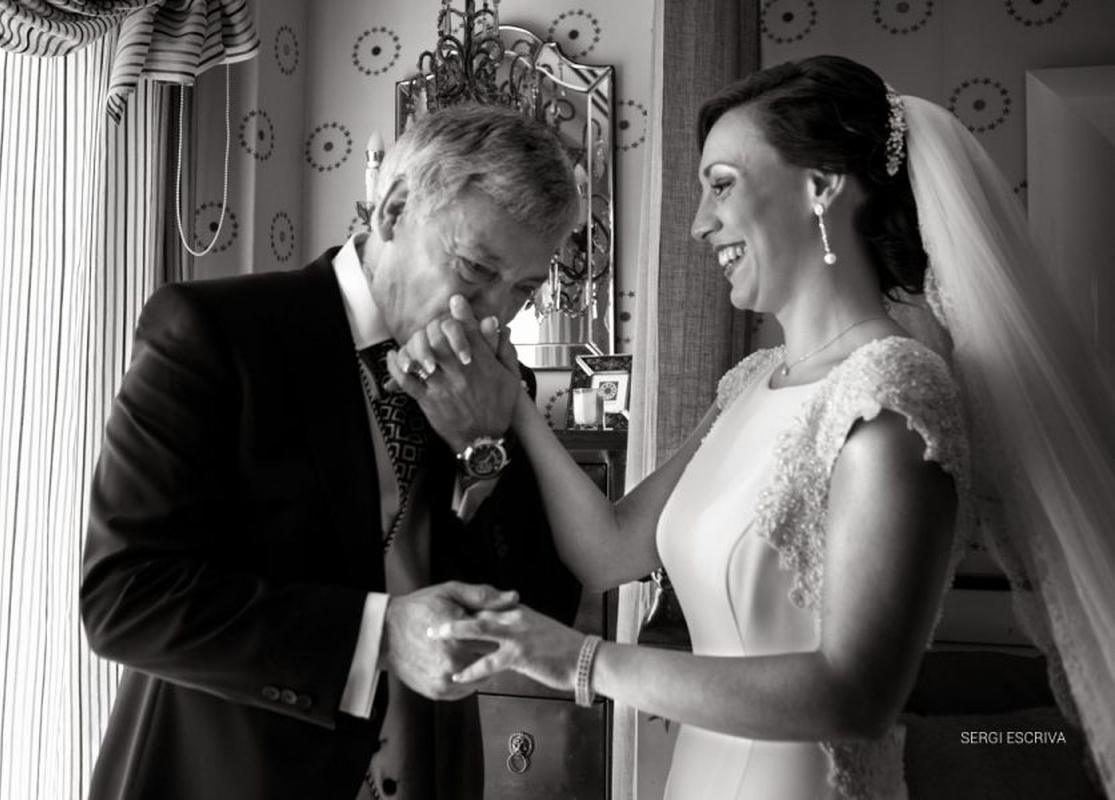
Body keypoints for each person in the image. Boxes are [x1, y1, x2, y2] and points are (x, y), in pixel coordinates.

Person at [402, 54, 1115, 799]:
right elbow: (608, 552)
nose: (698, 224)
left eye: (721, 186)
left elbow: (856, 694)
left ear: (821, 185)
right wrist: (511, 396)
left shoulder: (894, 390)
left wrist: (580, 661)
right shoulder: (752, 382)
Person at [79, 104, 583, 799]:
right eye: (474, 268)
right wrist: (376, 637)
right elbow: (126, 599)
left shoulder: (501, 381)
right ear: (395, 210)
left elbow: (547, 607)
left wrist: (481, 451)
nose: (492, 314)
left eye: (522, 290)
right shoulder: (217, 333)